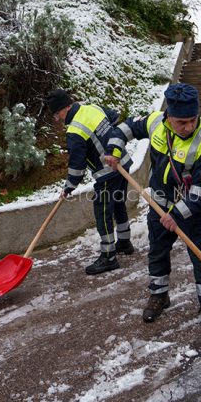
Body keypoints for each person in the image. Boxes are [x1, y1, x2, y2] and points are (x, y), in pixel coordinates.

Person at [104, 83, 201, 335]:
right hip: (159, 207)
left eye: (193, 120)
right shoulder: (156, 122)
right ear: (168, 116)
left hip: (192, 213)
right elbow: (123, 129)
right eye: (182, 122)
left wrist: (178, 214)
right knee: (157, 252)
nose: (188, 127)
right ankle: (159, 296)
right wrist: (114, 150)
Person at [45, 89, 135, 275]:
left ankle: (109, 256)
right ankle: (124, 243)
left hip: (107, 172)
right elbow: (114, 117)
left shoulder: (75, 131)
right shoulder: (92, 108)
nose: (57, 119)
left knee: (102, 211)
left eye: (57, 113)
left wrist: (69, 186)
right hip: (122, 162)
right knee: (118, 203)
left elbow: (77, 167)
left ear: (66, 107)